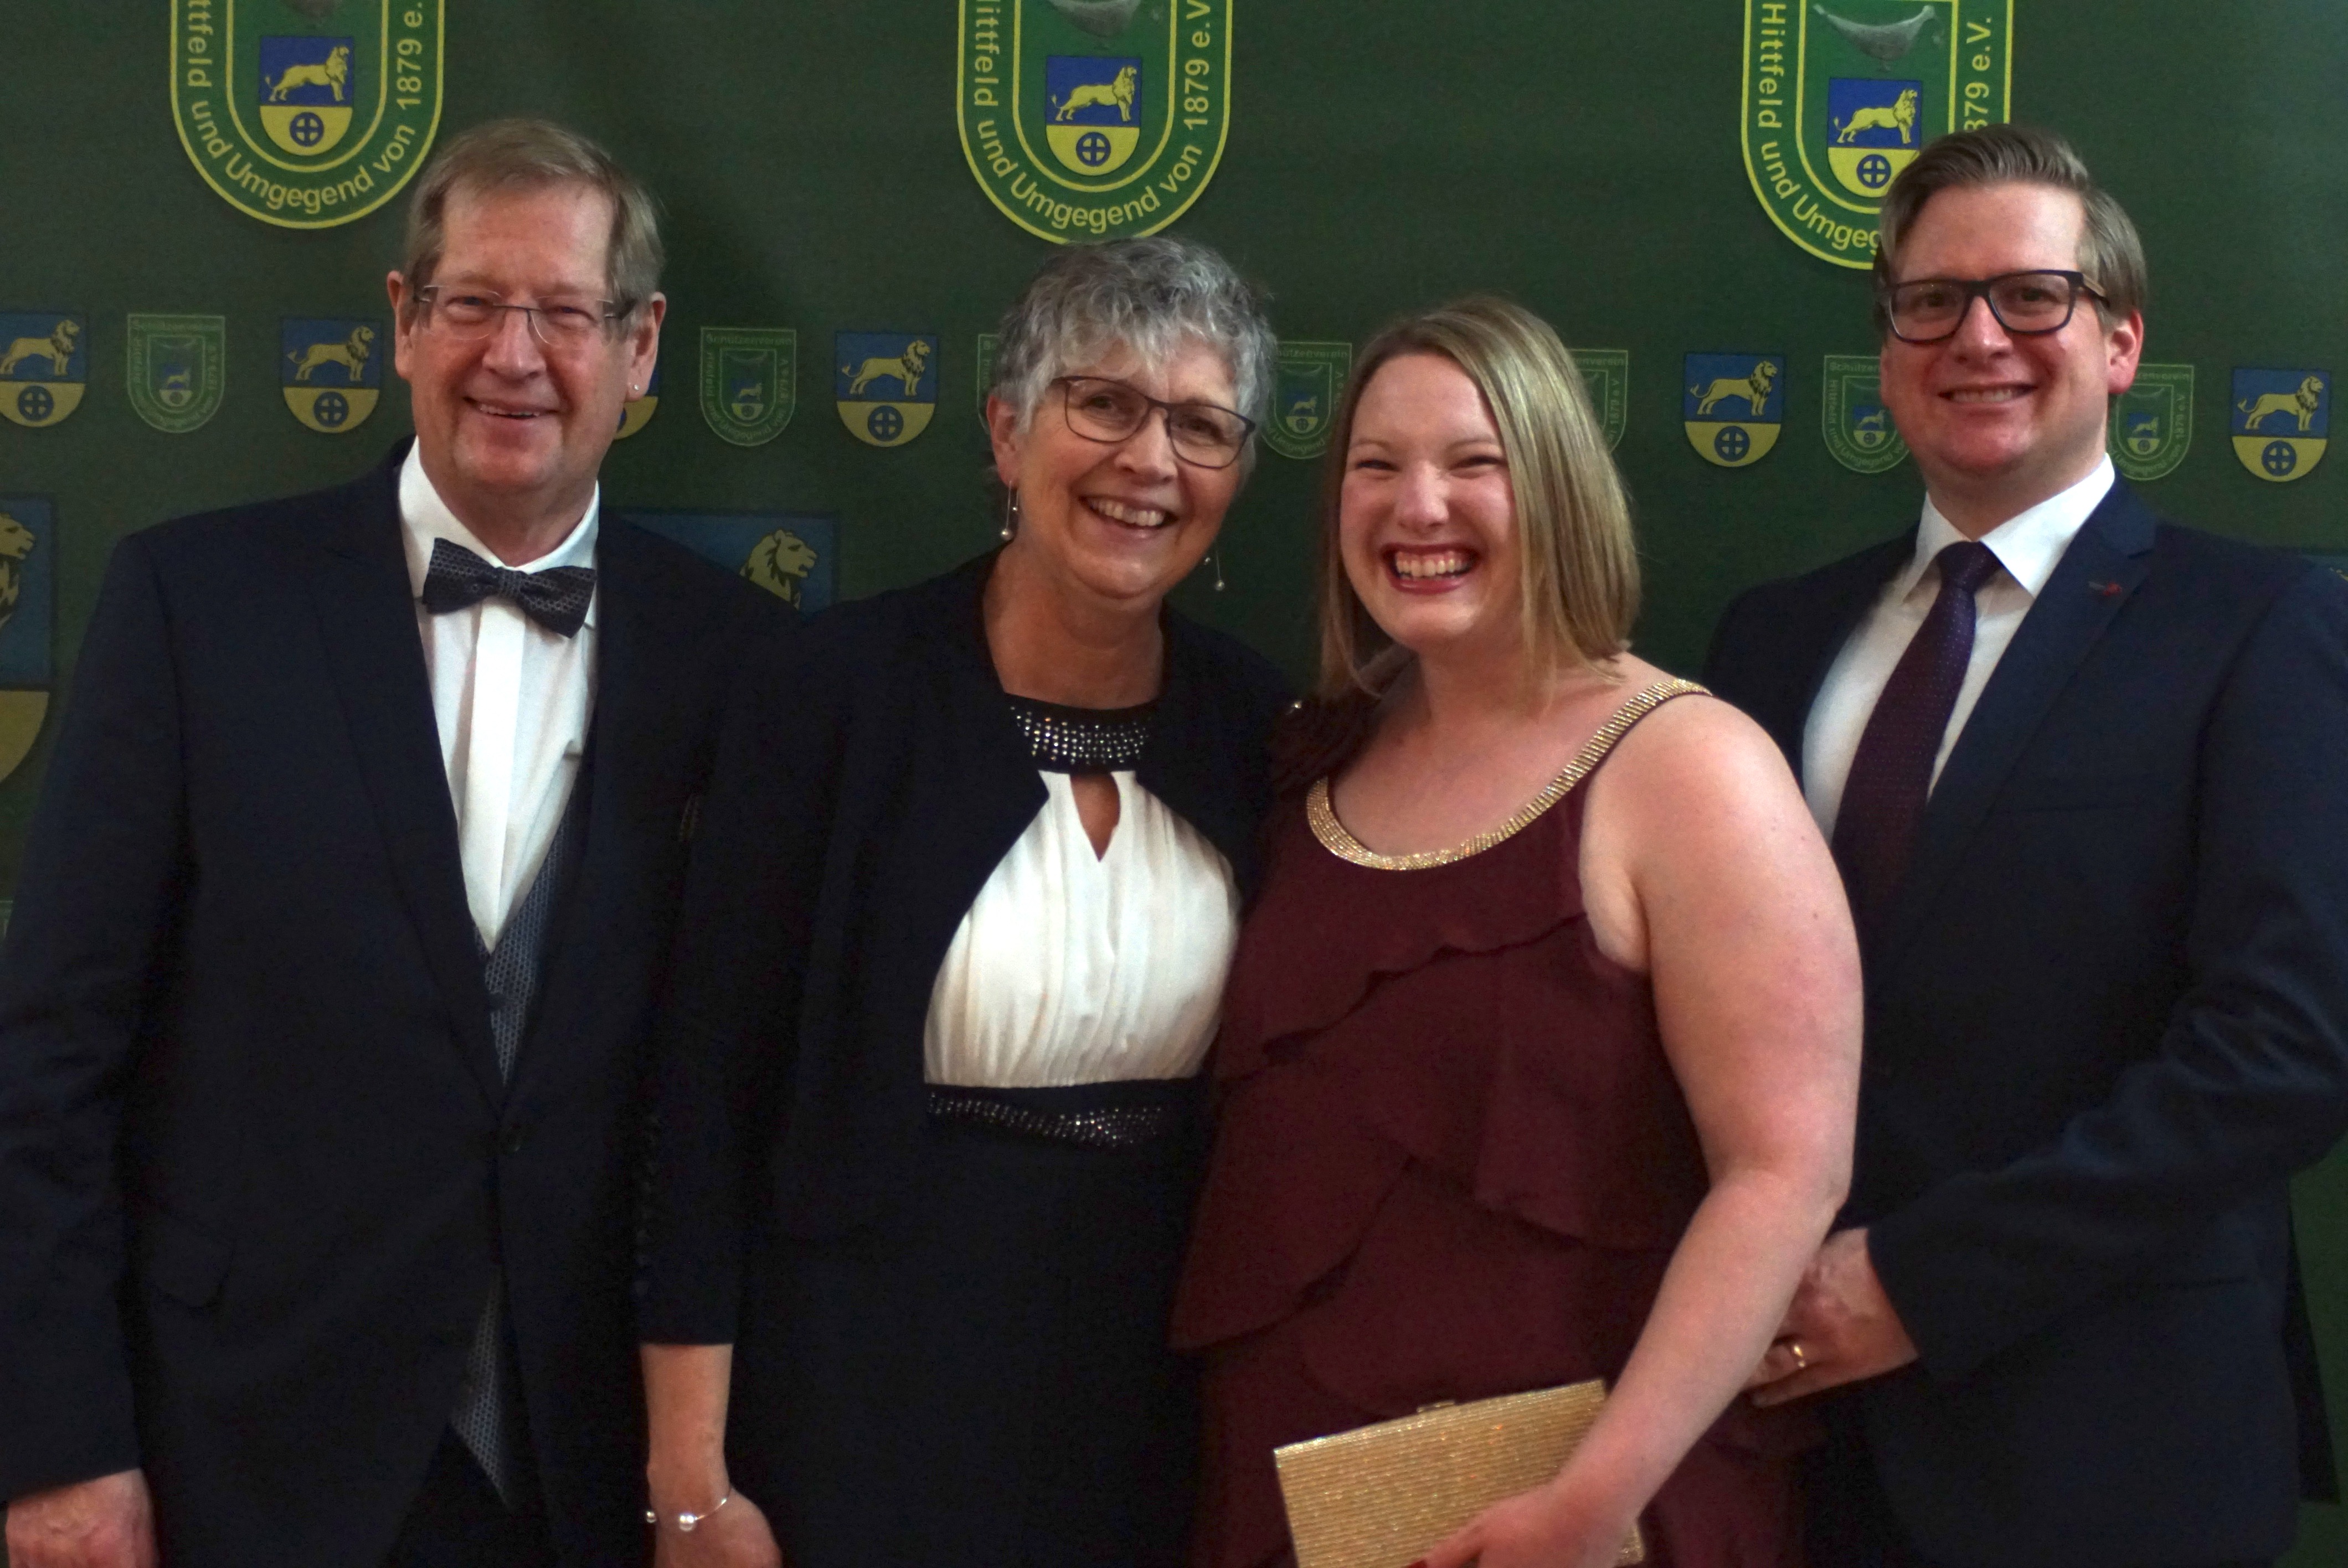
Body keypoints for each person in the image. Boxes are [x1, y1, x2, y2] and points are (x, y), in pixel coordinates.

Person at [0, 119, 780, 1568]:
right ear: (405, 320)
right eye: (474, 302)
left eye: (565, 313)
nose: (514, 355)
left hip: (584, 1470)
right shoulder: (195, 605)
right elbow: (46, 1060)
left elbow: (739, 1099)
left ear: (641, 346)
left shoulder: (742, 662)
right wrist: (60, 1449)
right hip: (239, 1449)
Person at [1705, 123, 2348, 1568]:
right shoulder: (1771, 639)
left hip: (2111, 1446)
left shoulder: (2257, 628)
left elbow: (2283, 1053)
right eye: (1931, 301)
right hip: (1781, 1444)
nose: (1977, 337)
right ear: (1887, 351)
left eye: (2031, 296)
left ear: (2120, 342)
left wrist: (1919, 1284)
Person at [1171, 296, 1862, 1568]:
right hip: (1299, 1499)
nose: (1416, 507)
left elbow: (1784, 1174)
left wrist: (1591, 1502)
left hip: (1598, 1516)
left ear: (1554, 486)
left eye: (1471, 462)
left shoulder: (1689, 767)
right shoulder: (1310, 756)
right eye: (1375, 466)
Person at [634, 235, 1291, 1568]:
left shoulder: (1258, 728)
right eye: (1101, 403)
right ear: (1003, 431)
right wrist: (690, 1481)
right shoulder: (829, 698)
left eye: (1199, 426)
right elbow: (702, 1103)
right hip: (858, 1401)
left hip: (1153, 1415)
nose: (1149, 461)